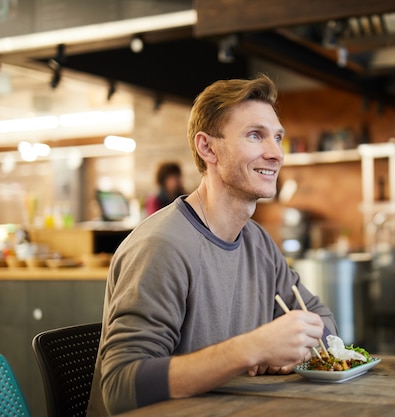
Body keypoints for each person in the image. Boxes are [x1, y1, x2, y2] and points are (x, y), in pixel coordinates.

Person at [87, 75, 337, 416]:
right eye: (255, 135)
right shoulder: (161, 246)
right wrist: (253, 348)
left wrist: (296, 349)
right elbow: (122, 386)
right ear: (208, 148)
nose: (275, 153)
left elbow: (321, 320)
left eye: (278, 137)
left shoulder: (257, 242)